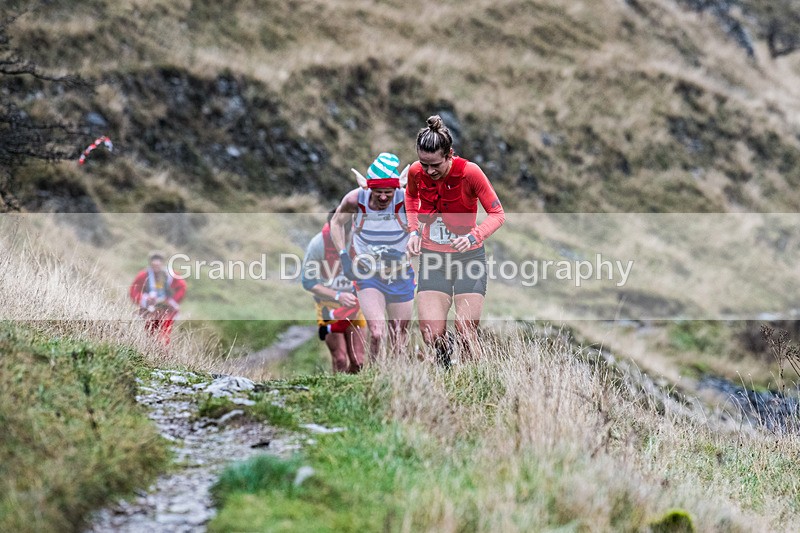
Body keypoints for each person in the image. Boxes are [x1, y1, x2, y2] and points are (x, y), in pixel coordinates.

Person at [405, 115, 506, 366]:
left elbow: (498, 214)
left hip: (468, 258)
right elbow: (410, 198)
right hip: (433, 259)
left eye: (435, 165)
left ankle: (477, 383)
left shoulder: (470, 173)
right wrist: (414, 231)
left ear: (449, 154)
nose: (429, 171)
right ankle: (445, 368)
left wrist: (475, 235)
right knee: (430, 334)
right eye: (423, 163)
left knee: (465, 331)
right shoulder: (415, 172)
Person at [330, 152, 416, 357]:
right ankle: (375, 375)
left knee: (399, 336)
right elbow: (336, 223)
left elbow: (426, 222)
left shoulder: (406, 200)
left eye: (388, 192)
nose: (384, 197)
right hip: (367, 275)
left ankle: (395, 380)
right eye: (378, 192)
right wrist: (344, 256)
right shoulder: (355, 199)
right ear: (369, 188)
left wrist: (416, 241)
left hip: (400, 273)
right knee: (377, 333)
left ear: (396, 188)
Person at [301, 214, 366, 373]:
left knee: (358, 362)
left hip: (355, 308)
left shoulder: (360, 241)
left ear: (352, 228)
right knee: (340, 360)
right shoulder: (318, 244)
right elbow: (308, 282)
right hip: (328, 308)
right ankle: (339, 392)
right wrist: (338, 295)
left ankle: (355, 395)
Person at [129, 251, 187, 345]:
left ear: (162, 263)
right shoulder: (143, 275)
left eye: (158, 263)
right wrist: (144, 299)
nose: (156, 266)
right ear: (151, 263)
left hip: (166, 309)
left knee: (164, 333)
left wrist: (172, 300)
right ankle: (149, 349)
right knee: (149, 331)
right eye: (154, 263)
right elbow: (134, 290)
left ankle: (163, 352)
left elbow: (182, 287)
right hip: (149, 308)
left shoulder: (170, 275)